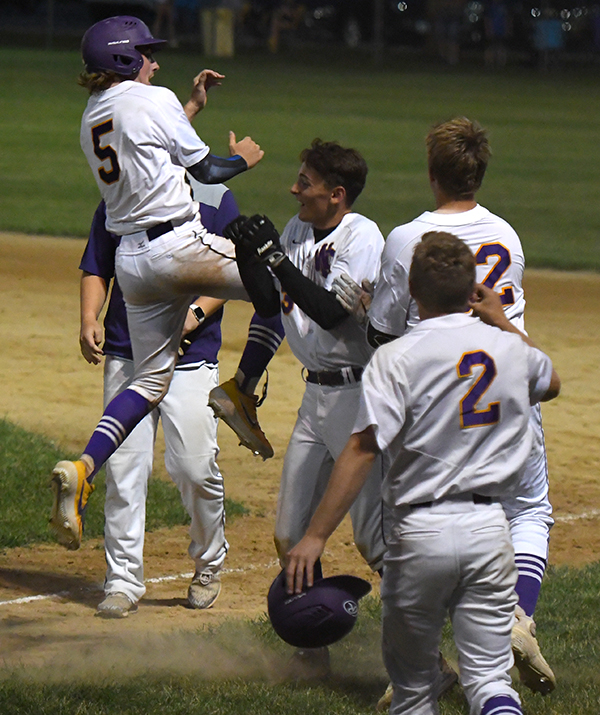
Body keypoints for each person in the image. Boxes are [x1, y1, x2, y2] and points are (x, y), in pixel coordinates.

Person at [286, 231, 561, 715]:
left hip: (419, 536)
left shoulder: (394, 359)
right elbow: (551, 382)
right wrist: (500, 319)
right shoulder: (505, 350)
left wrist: (315, 536)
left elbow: (361, 451)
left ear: (411, 291)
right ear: (472, 289)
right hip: (488, 531)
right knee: (491, 683)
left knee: (414, 691)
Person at [334, 116, 557, 696]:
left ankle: (422, 664)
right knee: (528, 511)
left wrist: (364, 309)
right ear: (479, 173)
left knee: (415, 522)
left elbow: (385, 334)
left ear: (432, 173)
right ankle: (519, 618)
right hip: (507, 389)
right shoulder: (507, 235)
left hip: (434, 406)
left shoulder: (409, 238)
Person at [49, 15, 263, 552]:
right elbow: (208, 172)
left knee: (147, 384)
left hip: (133, 266)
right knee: (278, 282)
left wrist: (189, 108)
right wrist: (243, 159)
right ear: (125, 59)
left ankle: (83, 467)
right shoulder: (153, 99)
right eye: (146, 53)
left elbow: (147, 146)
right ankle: (241, 390)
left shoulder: (92, 116)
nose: (155, 61)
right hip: (178, 248)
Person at [224, 139, 387, 674]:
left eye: (305, 183)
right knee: (291, 535)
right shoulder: (297, 230)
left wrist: (274, 257)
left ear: (336, 195)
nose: (294, 189)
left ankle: (424, 659)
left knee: (375, 540)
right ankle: (312, 650)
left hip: (359, 398)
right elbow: (271, 304)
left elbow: (332, 313)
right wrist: (249, 255)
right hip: (315, 398)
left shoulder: (362, 238)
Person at [79, 179, 238, 617]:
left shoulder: (215, 198)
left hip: (191, 357)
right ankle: (122, 580)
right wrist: (89, 316)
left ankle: (209, 564)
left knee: (194, 468)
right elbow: (97, 264)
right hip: (127, 353)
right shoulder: (121, 193)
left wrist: (195, 314)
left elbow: (233, 267)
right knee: (125, 471)